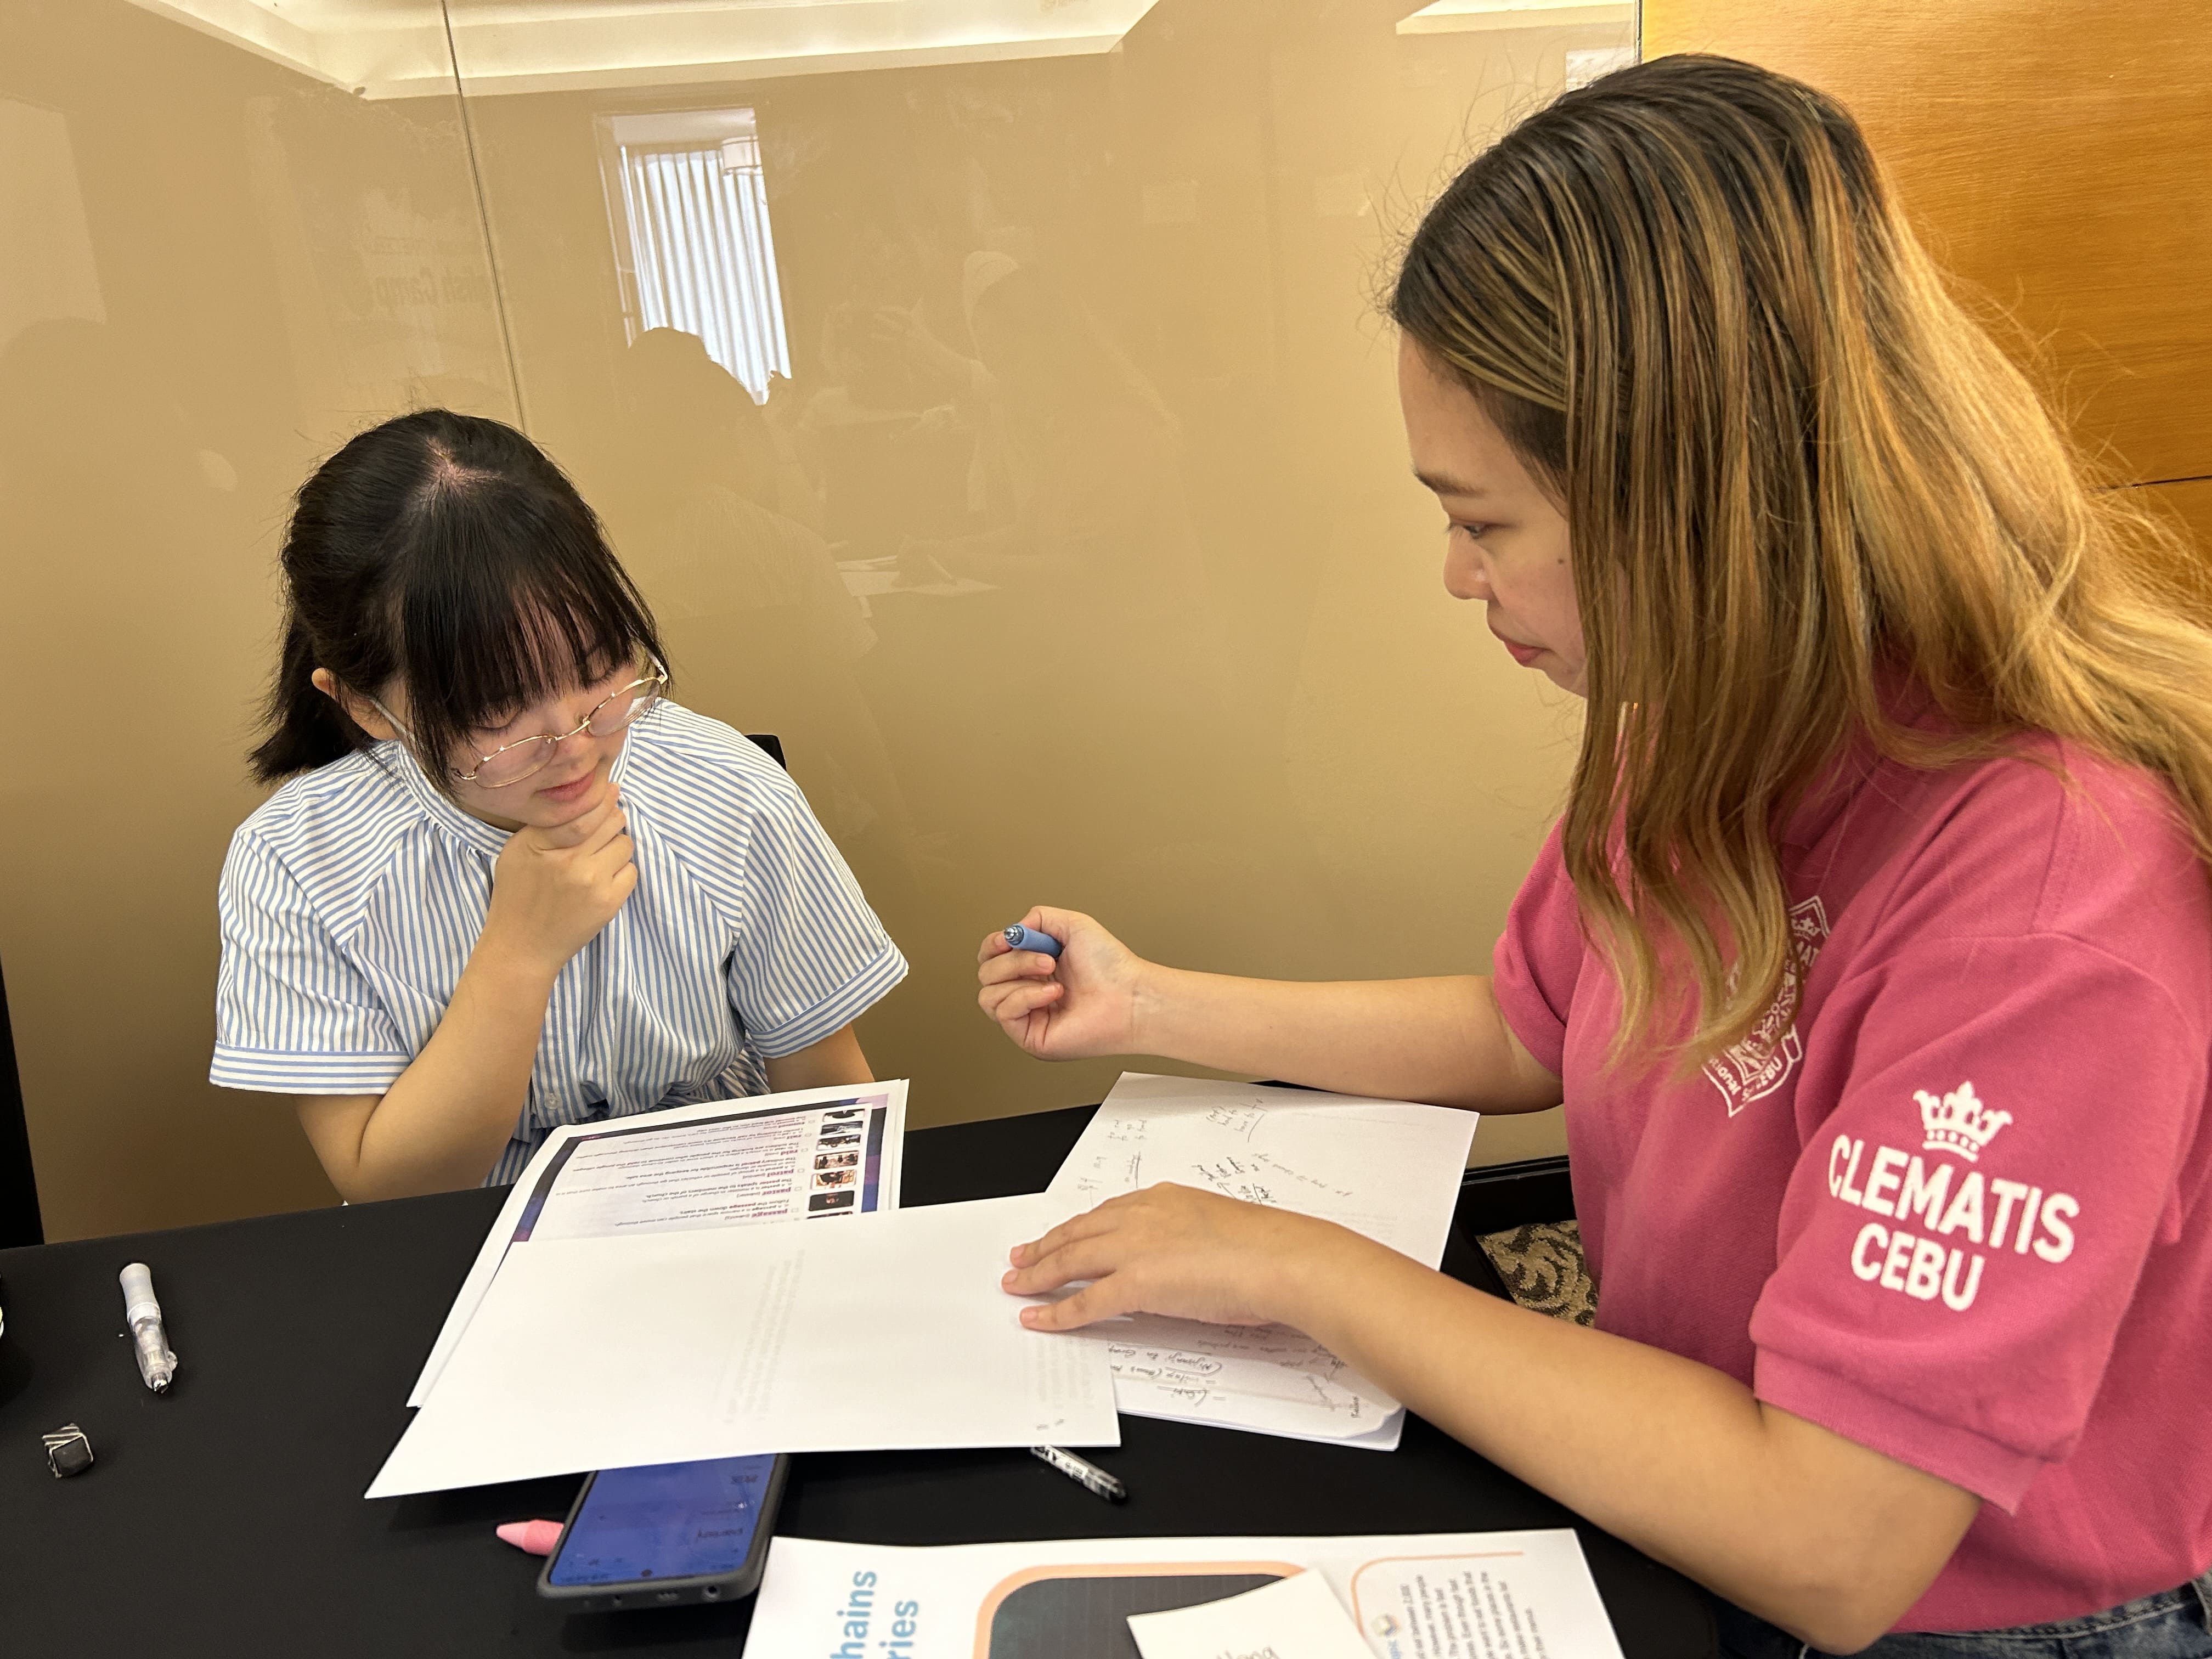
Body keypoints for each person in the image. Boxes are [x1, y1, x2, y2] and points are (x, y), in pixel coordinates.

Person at [977, 55, 2212, 1657]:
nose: (1454, 574)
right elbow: (1539, 1024)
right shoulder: (1702, 715)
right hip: (1685, 1467)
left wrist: (1304, 1271)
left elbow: (1836, 1543)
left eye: (1484, 522)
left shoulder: (2047, 900)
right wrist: (1152, 1005)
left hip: (1970, 1615)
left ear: (1684, 508)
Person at [215, 409, 905, 1199]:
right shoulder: (295, 861)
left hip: (729, 1206)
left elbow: (827, 1090)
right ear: (365, 706)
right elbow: (387, 1191)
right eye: (496, 706)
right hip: (468, 1237)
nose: (574, 741)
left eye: (597, 665)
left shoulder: (726, 787)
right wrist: (518, 954)